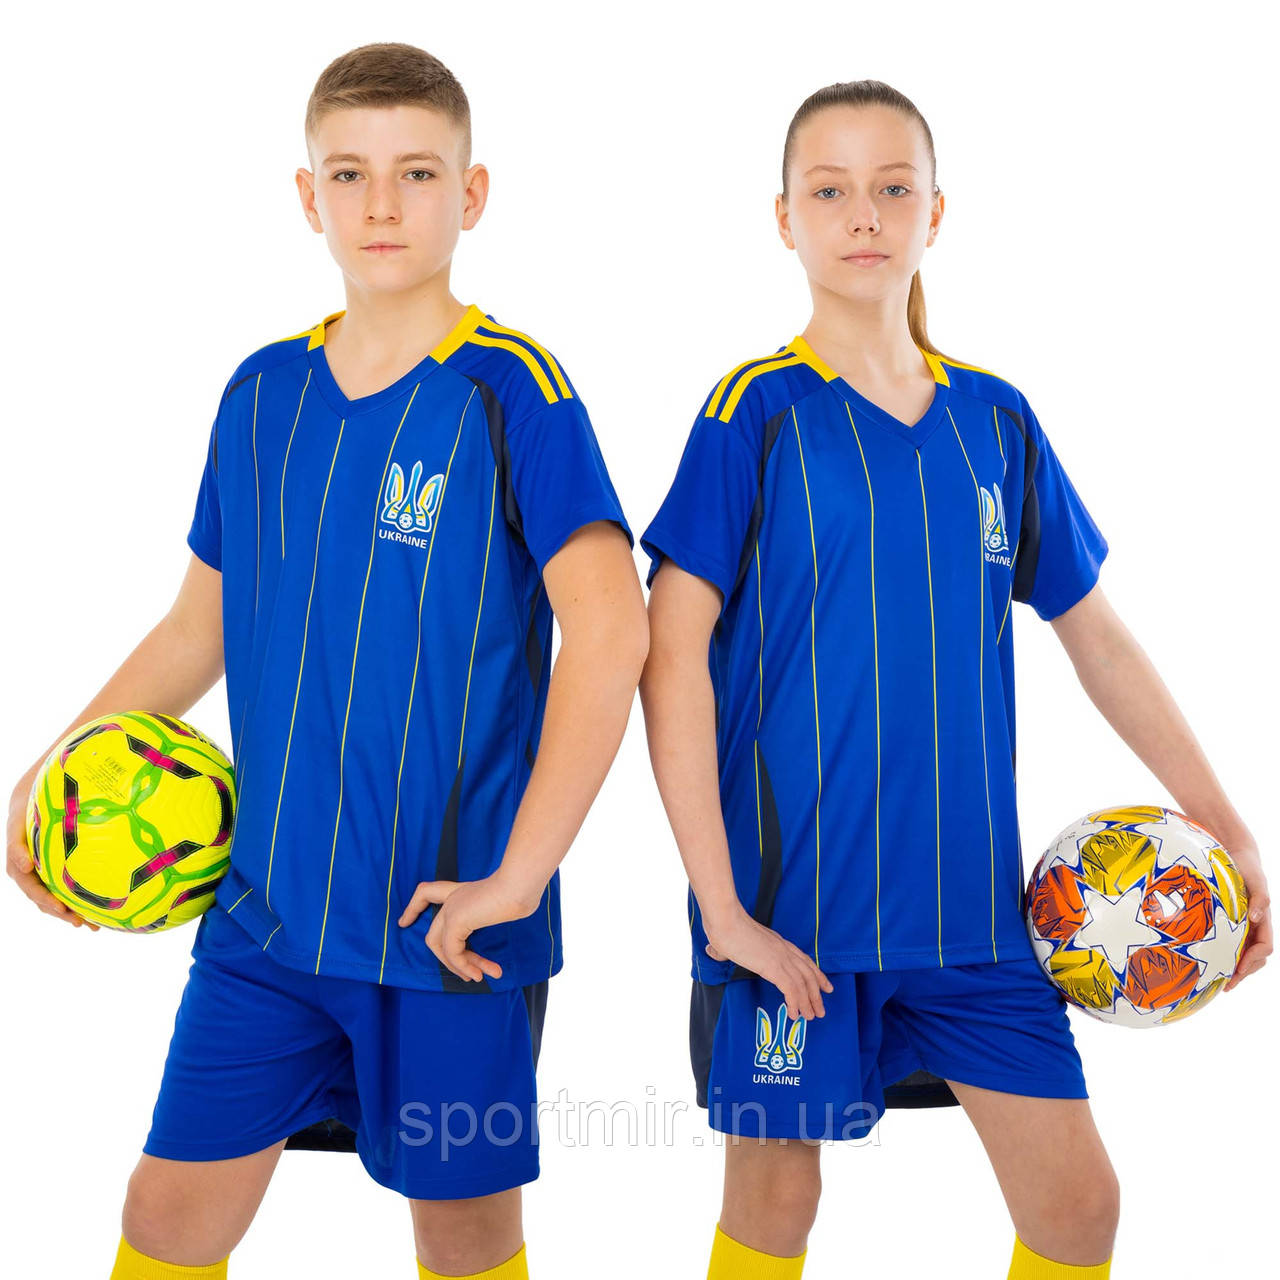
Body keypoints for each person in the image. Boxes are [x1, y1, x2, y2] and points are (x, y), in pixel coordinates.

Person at [6, 42, 647, 1280]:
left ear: (470, 194)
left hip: (447, 926)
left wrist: (519, 874)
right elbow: (195, 627)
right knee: (169, 1210)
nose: (381, 204)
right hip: (266, 913)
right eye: (348, 174)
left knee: (462, 1236)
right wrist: (50, 768)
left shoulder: (514, 389)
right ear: (308, 197)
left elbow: (612, 628)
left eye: (417, 173)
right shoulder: (261, 394)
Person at [637, 79, 1271, 1280]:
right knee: (775, 1202)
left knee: (1075, 1205)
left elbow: (1097, 638)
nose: (862, 214)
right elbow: (669, 663)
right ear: (783, 218)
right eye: (829, 189)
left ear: (935, 211)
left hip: (973, 917)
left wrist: (1226, 827)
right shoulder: (751, 412)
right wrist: (722, 911)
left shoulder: (994, 420)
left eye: (892, 188)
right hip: (790, 913)